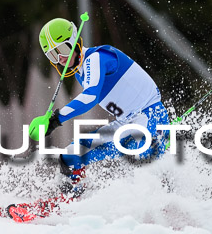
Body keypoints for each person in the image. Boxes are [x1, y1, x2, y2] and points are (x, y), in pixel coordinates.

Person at [39, 17, 169, 188]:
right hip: (128, 123)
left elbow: (90, 97)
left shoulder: (96, 57)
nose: (60, 58)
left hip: (150, 117)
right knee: (70, 156)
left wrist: (56, 119)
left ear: (74, 41)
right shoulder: (81, 71)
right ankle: (73, 195)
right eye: (53, 55)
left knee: (144, 173)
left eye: (62, 49)